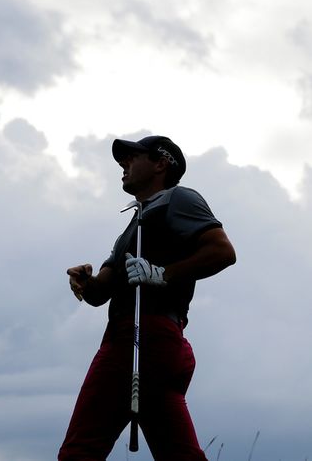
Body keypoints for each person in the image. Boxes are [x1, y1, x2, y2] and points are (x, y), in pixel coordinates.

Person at [58, 135, 236, 461]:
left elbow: (222, 251)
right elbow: (101, 292)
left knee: (80, 451)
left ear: (160, 163)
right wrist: (86, 281)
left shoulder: (178, 198)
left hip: (139, 340)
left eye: (132, 157)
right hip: (158, 344)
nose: (123, 164)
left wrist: (161, 273)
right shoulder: (132, 225)